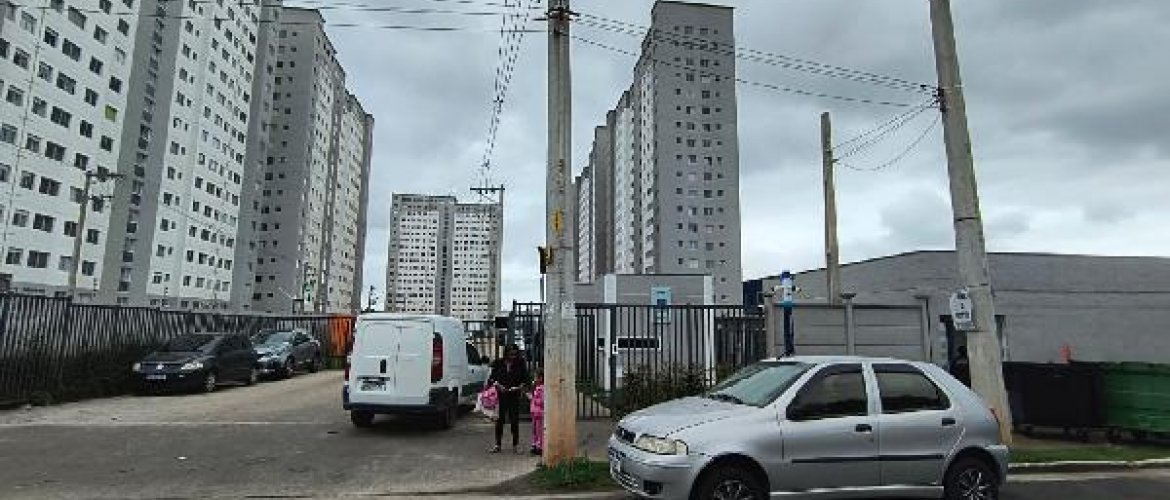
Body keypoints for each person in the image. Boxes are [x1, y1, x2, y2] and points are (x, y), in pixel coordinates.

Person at [487, 344, 529, 453]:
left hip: (514, 395)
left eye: (515, 354)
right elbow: (491, 379)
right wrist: (498, 385)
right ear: (506, 353)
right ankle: (497, 445)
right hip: (500, 396)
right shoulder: (498, 363)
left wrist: (519, 387)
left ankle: (516, 445)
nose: (513, 357)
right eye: (511, 354)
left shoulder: (520, 363)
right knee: (499, 420)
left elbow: (526, 379)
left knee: (514, 420)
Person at [528, 371, 544, 456]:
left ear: (540, 378)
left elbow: (541, 401)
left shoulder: (542, 388)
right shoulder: (536, 387)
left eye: (536, 377)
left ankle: (540, 446)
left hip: (539, 412)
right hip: (534, 412)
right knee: (534, 430)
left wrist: (532, 398)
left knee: (539, 430)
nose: (534, 379)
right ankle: (534, 444)